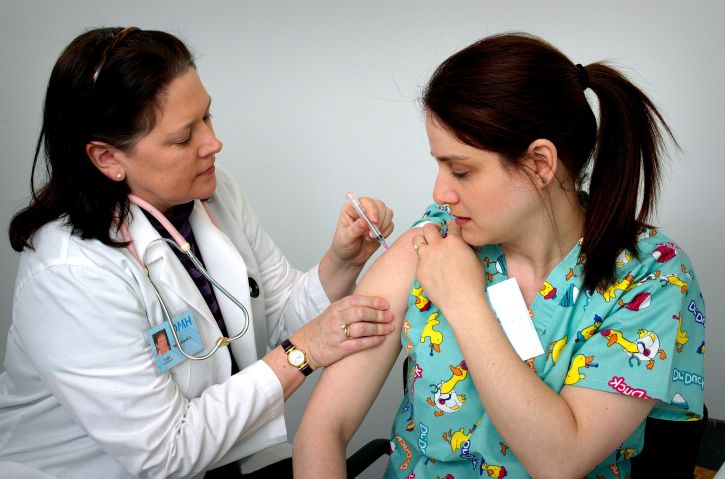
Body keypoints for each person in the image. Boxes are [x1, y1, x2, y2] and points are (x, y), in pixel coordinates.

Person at [293, 32, 706, 478]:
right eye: (438, 164)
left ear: (539, 164)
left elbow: (561, 460)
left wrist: (465, 302)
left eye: (461, 170)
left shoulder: (649, 275)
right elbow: (322, 428)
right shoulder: (438, 241)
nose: (440, 192)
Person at [0, 26, 397, 479]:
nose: (213, 144)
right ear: (108, 159)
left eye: (207, 118)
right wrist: (303, 351)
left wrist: (343, 261)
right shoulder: (69, 271)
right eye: (183, 138)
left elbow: (282, 313)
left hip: (220, 460)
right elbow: (164, 453)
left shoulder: (212, 192)